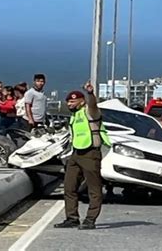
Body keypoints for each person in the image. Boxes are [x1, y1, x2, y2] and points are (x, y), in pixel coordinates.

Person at [54, 82, 111, 230]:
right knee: (69, 186)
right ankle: (72, 218)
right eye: (68, 101)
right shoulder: (73, 116)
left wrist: (90, 94)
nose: (70, 103)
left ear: (82, 101)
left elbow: (93, 105)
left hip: (90, 153)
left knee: (94, 188)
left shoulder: (90, 112)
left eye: (73, 101)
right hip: (76, 153)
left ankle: (90, 219)